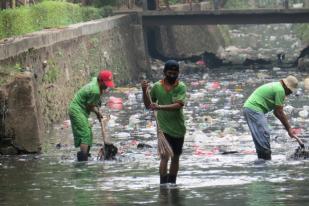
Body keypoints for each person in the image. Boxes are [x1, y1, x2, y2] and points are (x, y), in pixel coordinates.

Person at [141, 60, 187, 184]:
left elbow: (178, 105)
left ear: (178, 73)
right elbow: (148, 105)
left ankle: (172, 184)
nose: (172, 75)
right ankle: (163, 185)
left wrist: (160, 107)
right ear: (164, 72)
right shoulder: (157, 87)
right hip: (163, 129)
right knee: (164, 157)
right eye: (170, 73)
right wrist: (144, 91)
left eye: (175, 73)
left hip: (178, 129)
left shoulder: (181, 87)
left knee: (175, 158)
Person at [243, 75, 299, 160]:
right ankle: (265, 161)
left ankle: (262, 160)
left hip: (250, 108)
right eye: (290, 91)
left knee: (260, 135)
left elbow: (276, 112)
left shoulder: (277, 86)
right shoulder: (280, 90)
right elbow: (279, 112)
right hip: (254, 109)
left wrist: (288, 129)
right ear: (286, 87)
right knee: (264, 133)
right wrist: (289, 129)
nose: (290, 93)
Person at [68, 70, 115, 161]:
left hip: (81, 110)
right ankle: (83, 159)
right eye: (105, 84)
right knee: (85, 134)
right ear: (100, 81)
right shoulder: (95, 91)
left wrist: (97, 100)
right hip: (77, 110)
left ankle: (85, 155)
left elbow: (93, 79)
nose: (106, 86)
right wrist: (98, 113)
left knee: (89, 133)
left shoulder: (95, 82)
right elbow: (89, 106)